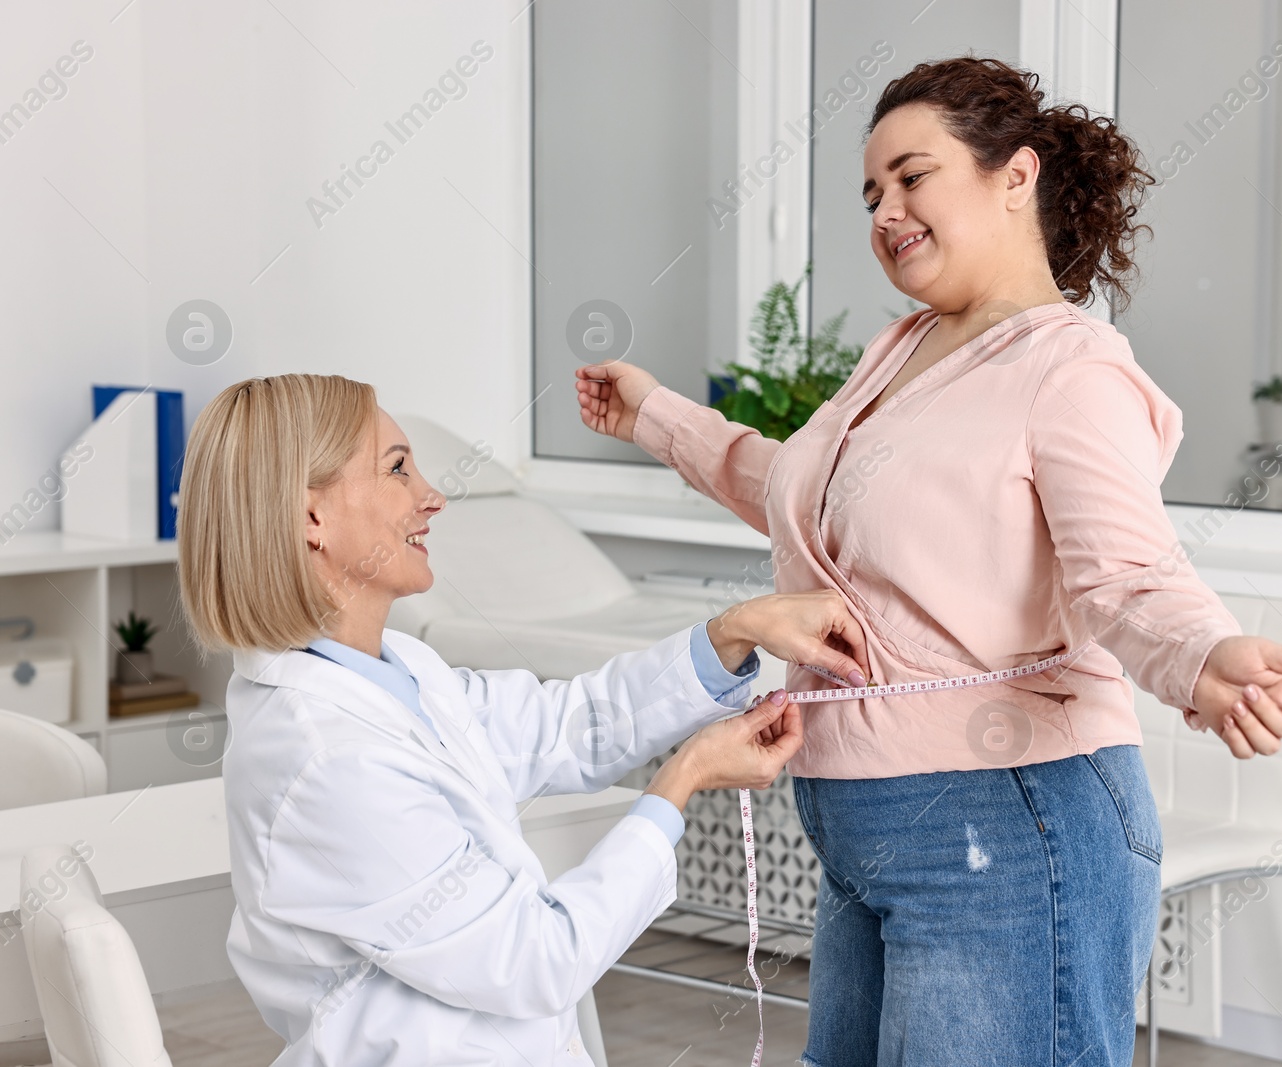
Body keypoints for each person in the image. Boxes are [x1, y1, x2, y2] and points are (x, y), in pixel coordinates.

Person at [574, 57, 1282, 1067]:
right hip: (860, 828)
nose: (886, 208)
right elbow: (811, 497)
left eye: (912, 175)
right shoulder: (899, 351)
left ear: (1013, 175)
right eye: (870, 192)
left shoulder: (1071, 367)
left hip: (1006, 819)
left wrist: (1202, 652)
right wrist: (657, 417)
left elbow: (1126, 569)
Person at [176, 373, 870, 1067]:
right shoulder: (326, 757)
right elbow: (538, 958)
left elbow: (572, 723)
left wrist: (733, 631)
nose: (432, 495)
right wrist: (681, 779)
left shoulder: (402, 671)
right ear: (310, 518)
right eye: (396, 468)